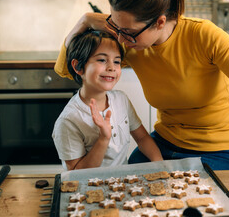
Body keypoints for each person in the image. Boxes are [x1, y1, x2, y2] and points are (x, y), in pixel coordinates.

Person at [54, 0, 229, 170]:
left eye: (127, 32)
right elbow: (67, 69)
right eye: (116, 27)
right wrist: (84, 21)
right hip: (164, 142)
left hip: (217, 150)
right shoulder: (132, 42)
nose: (120, 40)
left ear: (160, 22)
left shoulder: (204, 36)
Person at [52, 29, 163, 170]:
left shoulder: (121, 100)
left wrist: (160, 163)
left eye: (117, 61)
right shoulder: (69, 120)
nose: (111, 67)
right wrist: (103, 138)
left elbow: (142, 138)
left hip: (122, 184)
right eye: (102, 60)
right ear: (78, 67)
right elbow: (76, 173)